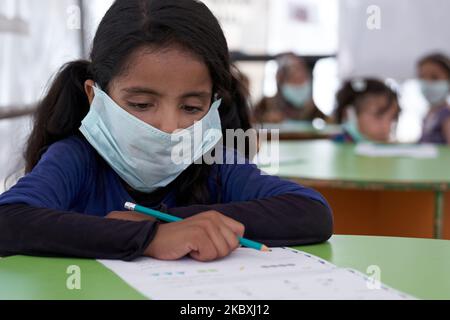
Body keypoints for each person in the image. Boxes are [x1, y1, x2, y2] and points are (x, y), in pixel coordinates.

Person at [0, 0, 332, 262]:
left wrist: (163, 221)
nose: (170, 127)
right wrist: (150, 239)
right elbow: (9, 221)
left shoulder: (213, 161)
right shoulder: (77, 158)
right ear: (94, 97)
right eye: (142, 104)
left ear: (214, 104)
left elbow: (310, 213)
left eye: (191, 107)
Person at [253, 53, 326, 123]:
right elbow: (248, 123)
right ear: (280, 82)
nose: (298, 86)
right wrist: (264, 120)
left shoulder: (312, 109)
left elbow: (331, 123)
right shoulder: (266, 104)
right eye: (293, 80)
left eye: (302, 80)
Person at [333, 78, 400, 143]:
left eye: (392, 118)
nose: (386, 127)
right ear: (349, 114)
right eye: (378, 117)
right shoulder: (335, 145)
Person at [417, 53, 450, 144]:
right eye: (422, 77)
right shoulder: (429, 113)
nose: (427, 82)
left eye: (434, 77)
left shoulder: (447, 115)